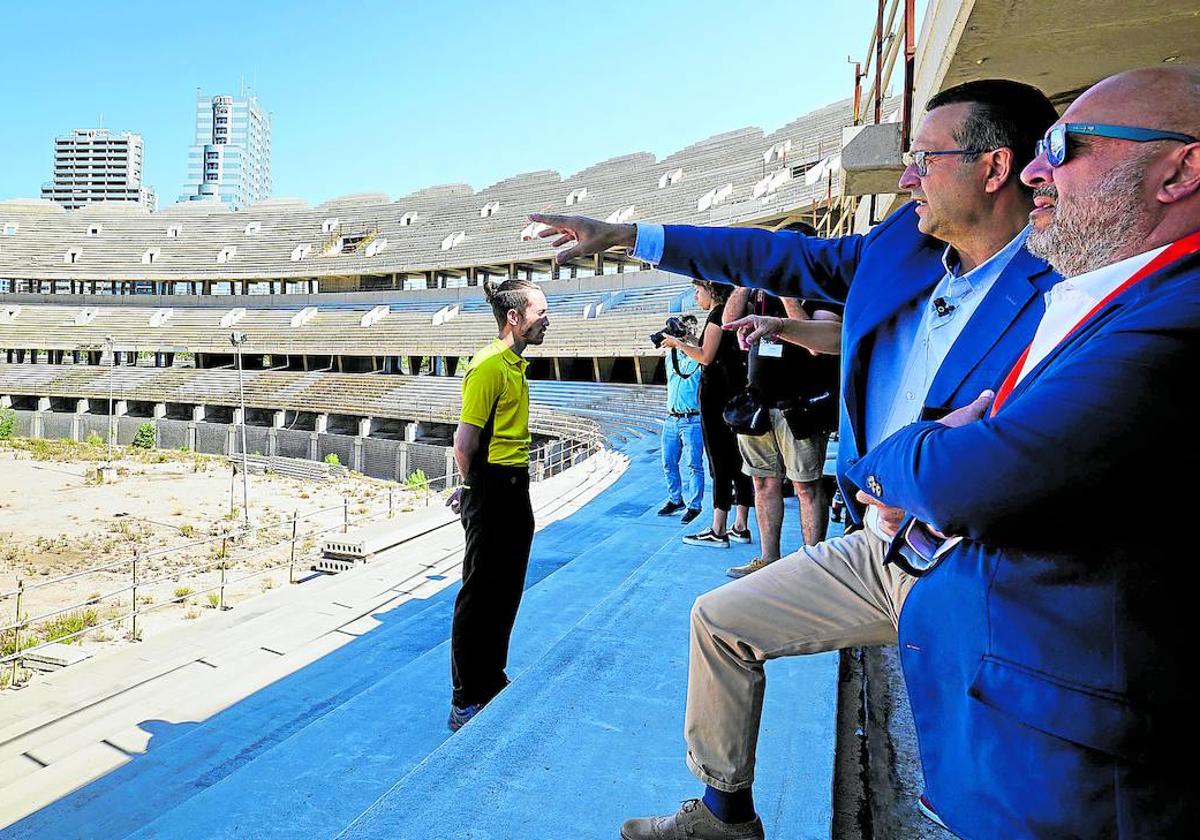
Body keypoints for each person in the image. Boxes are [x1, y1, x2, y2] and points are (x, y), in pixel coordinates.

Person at [532, 78, 1059, 840]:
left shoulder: (1065, 288)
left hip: (983, 569)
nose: (907, 177)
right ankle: (725, 816)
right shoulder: (903, 247)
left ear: (994, 166)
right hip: (882, 546)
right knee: (720, 620)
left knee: (975, 796)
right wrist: (628, 238)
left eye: (923, 159)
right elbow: (775, 255)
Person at [846, 64, 1200, 837]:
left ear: (1181, 170)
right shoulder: (1112, 291)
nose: (1041, 167)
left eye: (1066, 145)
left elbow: (975, 475)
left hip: (1074, 773)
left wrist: (891, 459)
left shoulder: (1179, 311)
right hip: (1017, 732)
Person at [445, 277, 549, 732]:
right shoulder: (487, 366)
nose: (547, 319)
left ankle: (491, 678)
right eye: (540, 312)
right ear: (514, 317)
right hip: (492, 488)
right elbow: (463, 443)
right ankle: (465, 696)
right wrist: (472, 489)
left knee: (506, 588)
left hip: (514, 487)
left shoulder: (515, 366)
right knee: (479, 591)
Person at [722, 275, 842, 578]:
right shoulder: (759, 294)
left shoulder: (822, 292)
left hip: (800, 406)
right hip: (759, 404)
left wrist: (785, 290)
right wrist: (744, 281)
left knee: (806, 486)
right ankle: (768, 558)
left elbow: (816, 345)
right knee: (762, 482)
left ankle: (812, 565)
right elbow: (728, 320)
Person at [661, 281, 753, 547]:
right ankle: (740, 525)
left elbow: (705, 356)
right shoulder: (730, 313)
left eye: (697, 291)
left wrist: (678, 343)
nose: (695, 296)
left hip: (717, 399)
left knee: (719, 462)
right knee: (738, 461)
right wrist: (687, 340)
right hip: (733, 395)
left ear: (711, 291)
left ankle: (718, 528)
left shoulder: (717, 314)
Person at [656, 313, 705, 525]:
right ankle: (675, 499)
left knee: (694, 465)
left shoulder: (700, 357)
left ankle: (695, 505)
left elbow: (702, 348)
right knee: (668, 462)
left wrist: (685, 339)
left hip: (692, 419)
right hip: (671, 418)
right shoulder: (671, 354)